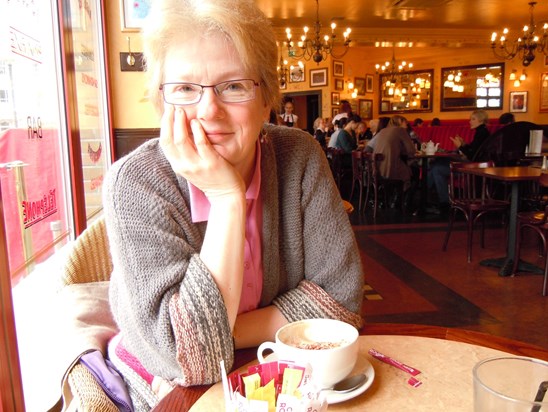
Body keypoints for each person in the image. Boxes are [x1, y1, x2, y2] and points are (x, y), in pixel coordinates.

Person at [102, 0, 364, 408]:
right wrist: (227, 198)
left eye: (234, 86)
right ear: (160, 101)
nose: (209, 110)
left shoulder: (299, 155)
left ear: (266, 99)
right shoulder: (135, 183)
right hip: (165, 384)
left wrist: (212, 335)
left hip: (276, 368)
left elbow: (341, 307)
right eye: (186, 89)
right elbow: (179, 361)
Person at [427, 110, 491, 214]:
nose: (470, 121)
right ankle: (429, 199)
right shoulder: (481, 132)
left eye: (473, 119)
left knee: (436, 168)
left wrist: (460, 146)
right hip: (470, 164)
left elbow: (473, 156)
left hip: (473, 167)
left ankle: (437, 201)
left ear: (481, 120)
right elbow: (473, 150)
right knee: (436, 164)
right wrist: (464, 144)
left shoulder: (482, 133)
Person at [372, 115, 417, 195]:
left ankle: (394, 197)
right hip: (391, 168)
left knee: (411, 168)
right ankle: (404, 201)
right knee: (414, 170)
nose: (407, 125)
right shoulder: (401, 130)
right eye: (405, 122)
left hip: (377, 169)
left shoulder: (383, 131)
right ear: (400, 122)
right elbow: (411, 150)